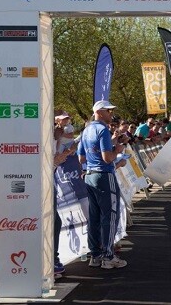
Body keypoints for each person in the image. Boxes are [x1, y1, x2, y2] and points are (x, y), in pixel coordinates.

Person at [77, 100, 128, 269]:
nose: (111, 114)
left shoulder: (86, 130)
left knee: (95, 216)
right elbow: (107, 158)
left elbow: (81, 158)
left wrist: (111, 145)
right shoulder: (102, 130)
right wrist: (117, 150)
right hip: (104, 175)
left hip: (90, 175)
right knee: (110, 215)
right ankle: (108, 255)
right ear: (99, 111)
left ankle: (96, 255)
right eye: (109, 111)